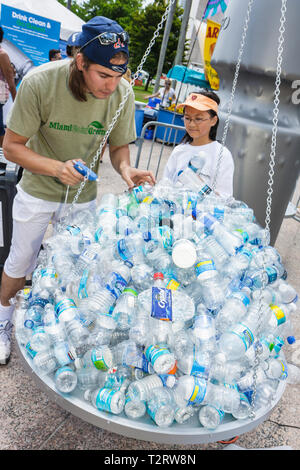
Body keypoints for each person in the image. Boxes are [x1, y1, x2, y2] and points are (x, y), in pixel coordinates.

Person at [0, 16, 155, 365]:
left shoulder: (123, 93)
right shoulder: (41, 81)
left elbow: (118, 148)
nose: (111, 86)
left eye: (118, 76)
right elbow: (12, 147)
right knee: (21, 260)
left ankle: (56, 334)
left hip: (82, 197)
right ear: (80, 60)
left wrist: (127, 169)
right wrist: (57, 168)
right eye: (104, 75)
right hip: (39, 187)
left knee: (75, 270)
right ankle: (2, 325)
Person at [163, 90, 234, 198]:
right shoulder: (179, 151)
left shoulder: (222, 155)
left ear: (213, 121)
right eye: (187, 118)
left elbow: (225, 197)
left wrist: (200, 188)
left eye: (198, 119)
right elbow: (165, 185)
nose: (191, 124)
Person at [0, 27, 17, 147]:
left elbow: (11, 81)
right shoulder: (2, 54)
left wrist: (17, 101)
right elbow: (11, 81)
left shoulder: (2, 55)